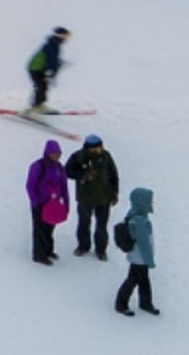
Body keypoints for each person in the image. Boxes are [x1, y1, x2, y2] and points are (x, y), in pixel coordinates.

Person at [66, 134, 120, 260]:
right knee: (84, 223)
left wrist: (115, 193)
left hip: (104, 197)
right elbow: (67, 171)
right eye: (96, 148)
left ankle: (101, 250)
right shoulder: (78, 157)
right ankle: (83, 246)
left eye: (100, 147)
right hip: (85, 198)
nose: (99, 150)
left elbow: (114, 175)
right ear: (89, 148)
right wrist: (83, 175)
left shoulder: (106, 156)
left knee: (102, 225)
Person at [115, 187, 160, 316]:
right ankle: (121, 304)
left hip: (138, 257)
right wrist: (149, 260)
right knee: (133, 280)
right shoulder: (139, 220)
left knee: (144, 280)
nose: (151, 204)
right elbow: (143, 243)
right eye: (149, 202)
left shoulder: (135, 215)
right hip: (139, 258)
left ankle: (146, 303)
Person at [26, 139, 70, 265]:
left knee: (50, 227)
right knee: (39, 229)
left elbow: (64, 187)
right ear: (47, 153)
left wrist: (66, 204)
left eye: (58, 153)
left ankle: (48, 250)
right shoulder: (37, 166)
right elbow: (30, 185)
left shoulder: (60, 167)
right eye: (54, 153)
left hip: (54, 204)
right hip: (40, 204)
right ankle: (39, 255)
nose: (57, 156)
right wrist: (35, 201)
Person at [26, 26, 71, 114]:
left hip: (40, 68)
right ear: (61, 35)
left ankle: (40, 105)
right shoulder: (53, 45)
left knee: (43, 86)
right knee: (41, 86)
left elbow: (51, 59)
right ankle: (35, 107)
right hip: (36, 68)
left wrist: (59, 63)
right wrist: (50, 73)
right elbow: (51, 60)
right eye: (66, 36)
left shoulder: (54, 44)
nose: (67, 39)